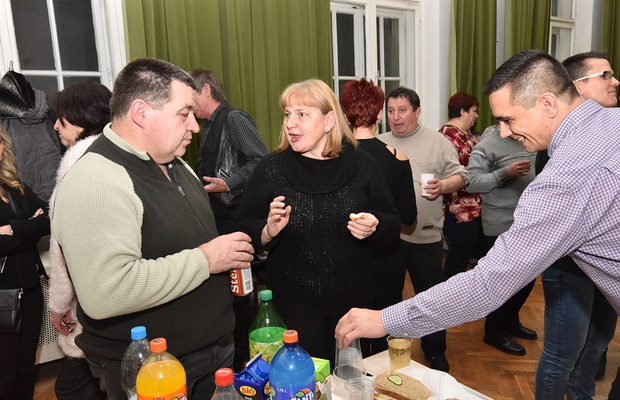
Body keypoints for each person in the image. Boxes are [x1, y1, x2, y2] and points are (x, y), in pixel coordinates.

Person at [334, 51, 620, 396]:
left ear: (547, 103)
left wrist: (384, 319)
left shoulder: (567, 179)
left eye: (509, 119)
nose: (505, 131)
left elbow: (488, 284)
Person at [51, 58, 254, 400]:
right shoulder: (96, 179)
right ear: (141, 112)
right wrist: (205, 260)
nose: (194, 126)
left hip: (211, 353)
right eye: (184, 114)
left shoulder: (175, 164)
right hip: (152, 369)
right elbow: (106, 292)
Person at [237, 79, 401, 362]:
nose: (290, 124)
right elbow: (242, 228)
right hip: (293, 310)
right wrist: (267, 231)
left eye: (302, 114)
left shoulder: (362, 164)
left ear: (328, 120)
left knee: (347, 380)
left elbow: (394, 223)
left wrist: (375, 225)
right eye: (287, 114)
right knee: (304, 381)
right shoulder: (271, 168)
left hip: (352, 309)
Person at [534, 50, 619, 400]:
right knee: (562, 354)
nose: (615, 81)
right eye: (605, 75)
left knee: (598, 343)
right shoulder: (557, 142)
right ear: (577, 87)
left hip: (608, 266)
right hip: (569, 268)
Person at [376, 86, 468, 372]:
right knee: (387, 297)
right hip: (388, 239)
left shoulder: (437, 142)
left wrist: (442, 185)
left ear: (416, 112)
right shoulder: (379, 143)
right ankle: (386, 348)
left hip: (425, 237)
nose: (395, 117)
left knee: (430, 298)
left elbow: (461, 176)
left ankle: (435, 350)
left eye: (402, 110)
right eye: (391, 111)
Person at [189, 69, 269, 371]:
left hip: (236, 218)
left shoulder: (234, 119)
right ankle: (234, 357)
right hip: (220, 219)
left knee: (240, 294)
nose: (190, 105)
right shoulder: (208, 124)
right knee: (231, 295)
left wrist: (229, 183)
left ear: (206, 90)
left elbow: (261, 160)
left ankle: (244, 359)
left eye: (192, 96)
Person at [340, 78, 417, 356]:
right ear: (380, 114)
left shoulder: (332, 157)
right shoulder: (397, 157)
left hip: (347, 259)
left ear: (345, 115)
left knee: (351, 335)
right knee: (385, 330)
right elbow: (408, 216)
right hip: (387, 258)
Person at [48, 81, 112, 400]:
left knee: (72, 389)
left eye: (61, 118)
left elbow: (63, 244)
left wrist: (59, 304)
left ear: (81, 117)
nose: (56, 126)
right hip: (120, 295)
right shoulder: (120, 154)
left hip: (92, 301)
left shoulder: (77, 162)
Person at [466, 124, 538, 356]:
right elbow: (472, 182)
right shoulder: (487, 146)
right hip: (500, 225)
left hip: (530, 223)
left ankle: (511, 321)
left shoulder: (533, 138)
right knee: (502, 283)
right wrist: (505, 173)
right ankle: (495, 331)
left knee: (527, 280)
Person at [0, 125, 50, 400]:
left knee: (26, 368)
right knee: (4, 374)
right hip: (1, 295)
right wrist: (30, 227)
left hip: (29, 290)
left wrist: (13, 229)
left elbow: (49, 219)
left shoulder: (14, 185)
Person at [439, 92, 483, 280]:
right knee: (462, 246)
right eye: (474, 111)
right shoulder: (447, 135)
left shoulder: (467, 134)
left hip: (473, 202)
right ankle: (447, 289)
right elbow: (445, 171)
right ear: (463, 111)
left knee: (470, 247)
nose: (476, 115)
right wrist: (453, 202)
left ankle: (459, 288)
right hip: (458, 205)